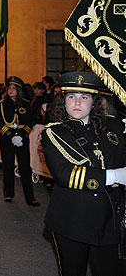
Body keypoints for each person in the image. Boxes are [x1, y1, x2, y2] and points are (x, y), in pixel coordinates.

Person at [42, 71, 126, 275]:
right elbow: (66, 174)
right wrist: (115, 176)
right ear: (63, 101)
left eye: (84, 97)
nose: (77, 102)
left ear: (94, 101)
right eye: (71, 96)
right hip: (72, 219)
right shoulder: (54, 132)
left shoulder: (111, 127)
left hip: (109, 218)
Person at [0, 76, 40, 206]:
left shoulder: (25, 103)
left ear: (18, 90)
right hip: (6, 140)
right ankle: (8, 194)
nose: (11, 90)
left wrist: (22, 135)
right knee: (8, 166)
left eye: (14, 88)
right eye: (9, 88)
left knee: (25, 167)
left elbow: (30, 121)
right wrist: (10, 136)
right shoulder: (2, 104)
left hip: (22, 139)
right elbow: (0, 124)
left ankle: (30, 198)